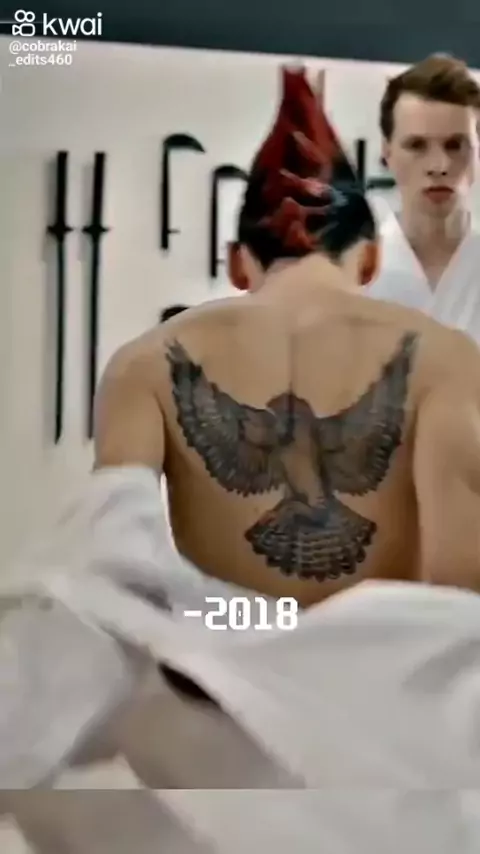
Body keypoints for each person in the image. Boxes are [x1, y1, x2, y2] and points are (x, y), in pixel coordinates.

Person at [93, 64, 480, 609]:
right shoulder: (447, 361)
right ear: (371, 259)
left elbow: (112, 580)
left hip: (223, 653)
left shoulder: (144, 365)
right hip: (374, 658)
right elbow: (460, 599)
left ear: (236, 262)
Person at [368, 54, 480, 340]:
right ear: (387, 153)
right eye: (416, 145)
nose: (439, 166)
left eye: (455, 145)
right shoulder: (352, 276)